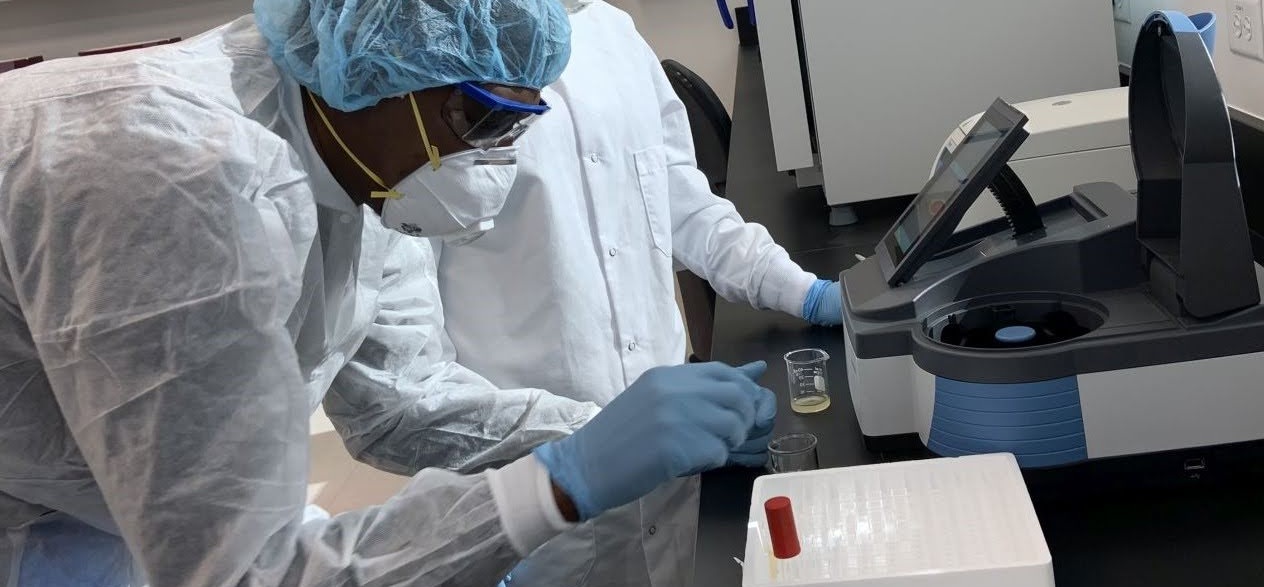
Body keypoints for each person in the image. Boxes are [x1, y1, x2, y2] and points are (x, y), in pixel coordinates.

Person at [0, 1, 777, 585]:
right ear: (378, 70)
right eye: (480, 117)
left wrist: (611, 429)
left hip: (94, 499)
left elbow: (395, 407)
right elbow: (241, 572)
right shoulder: (184, 177)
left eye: (517, 124)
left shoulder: (361, 164)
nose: (496, 158)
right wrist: (553, 486)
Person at [326, 1, 845, 586]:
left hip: (680, 482)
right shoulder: (416, 73)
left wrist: (802, 290)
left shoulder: (610, 31)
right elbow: (402, 384)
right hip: (536, 493)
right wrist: (597, 444)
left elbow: (679, 198)